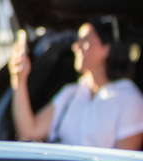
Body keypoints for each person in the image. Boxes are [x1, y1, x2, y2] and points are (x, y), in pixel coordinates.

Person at [9, 17, 143, 149]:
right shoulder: (70, 93)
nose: (75, 46)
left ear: (106, 49)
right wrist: (19, 80)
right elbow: (28, 133)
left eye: (85, 41)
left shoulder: (129, 99)